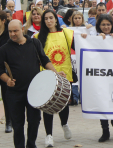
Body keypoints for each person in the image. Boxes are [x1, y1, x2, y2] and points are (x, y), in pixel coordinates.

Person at [0, 20, 65, 148]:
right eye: (10, 31)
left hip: (34, 92)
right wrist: (7, 80)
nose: (12, 34)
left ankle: (31, 144)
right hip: (14, 93)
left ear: (22, 29)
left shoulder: (34, 43)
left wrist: (56, 73)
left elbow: (44, 60)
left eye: (15, 31)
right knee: (17, 124)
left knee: (34, 121)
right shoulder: (4, 49)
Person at [35, 10, 74, 147]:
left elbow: (81, 44)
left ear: (56, 19)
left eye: (51, 18)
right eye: (46, 18)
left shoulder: (67, 33)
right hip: (47, 76)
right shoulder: (38, 37)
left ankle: (64, 124)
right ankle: (49, 135)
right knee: (48, 107)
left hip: (65, 74)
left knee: (64, 104)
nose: (48, 20)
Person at [81, 14, 113, 142]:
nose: (106, 27)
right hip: (100, 76)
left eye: (108, 25)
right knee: (101, 101)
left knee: (112, 100)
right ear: (99, 26)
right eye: (103, 25)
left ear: (112, 26)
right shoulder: (95, 38)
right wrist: (91, 39)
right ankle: (105, 131)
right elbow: (85, 42)